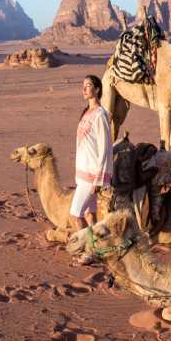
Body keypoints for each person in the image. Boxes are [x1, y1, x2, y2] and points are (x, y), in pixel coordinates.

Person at [70, 74, 113, 230]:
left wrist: (99, 179)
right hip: (83, 174)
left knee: (75, 215)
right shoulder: (87, 112)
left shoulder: (100, 115)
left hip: (91, 177)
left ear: (97, 89)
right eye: (83, 86)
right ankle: (97, 247)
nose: (84, 89)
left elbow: (105, 147)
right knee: (89, 214)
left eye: (88, 85)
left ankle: (86, 249)